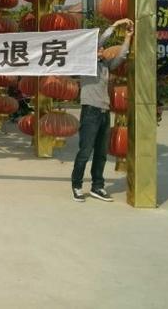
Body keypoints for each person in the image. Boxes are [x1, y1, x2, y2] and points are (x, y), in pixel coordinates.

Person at [71, 18, 134, 203]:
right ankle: (77, 186)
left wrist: (128, 37)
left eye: (102, 49)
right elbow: (99, 41)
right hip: (90, 112)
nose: (101, 49)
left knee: (101, 153)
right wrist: (116, 24)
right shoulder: (85, 64)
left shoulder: (105, 65)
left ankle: (97, 186)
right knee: (85, 152)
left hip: (104, 112)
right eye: (98, 48)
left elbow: (122, 56)